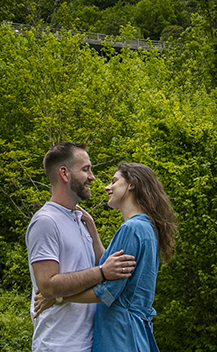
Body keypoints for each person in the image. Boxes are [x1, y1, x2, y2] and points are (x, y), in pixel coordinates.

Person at [34, 162, 178, 352]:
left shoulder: (131, 229)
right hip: (136, 334)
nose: (107, 187)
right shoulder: (146, 228)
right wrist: (93, 231)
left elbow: (108, 292)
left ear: (131, 184)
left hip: (120, 335)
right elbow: (110, 267)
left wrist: (59, 297)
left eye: (114, 181)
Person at [26, 142, 137, 352]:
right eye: (85, 169)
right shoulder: (46, 221)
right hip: (58, 345)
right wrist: (102, 272)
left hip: (89, 343)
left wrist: (93, 232)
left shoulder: (80, 219)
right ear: (64, 174)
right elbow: (48, 286)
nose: (92, 177)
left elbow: (101, 265)